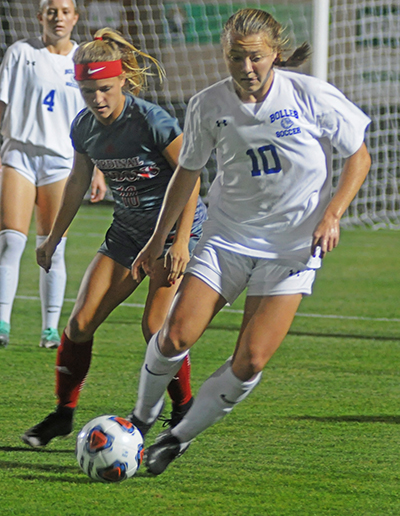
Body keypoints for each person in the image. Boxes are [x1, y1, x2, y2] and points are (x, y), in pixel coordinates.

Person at [126, 8, 372, 475]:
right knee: (176, 333)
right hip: (228, 237)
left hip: (293, 249)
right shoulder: (208, 105)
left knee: (250, 360)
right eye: (236, 58)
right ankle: (140, 417)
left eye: (255, 58)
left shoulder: (310, 95)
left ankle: (176, 439)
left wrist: (333, 214)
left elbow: (357, 156)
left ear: (275, 54)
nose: (246, 68)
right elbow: (188, 173)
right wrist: (159, 238)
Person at [21, 27, 206, 448]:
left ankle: (183, 411)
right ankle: (63, 415)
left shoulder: (153, 120)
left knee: (156, 329)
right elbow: (76, 181)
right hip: (126, 234)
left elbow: (191, 177)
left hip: (174, 230)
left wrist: (179, 244)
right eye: (88, 91)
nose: (98, 99)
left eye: (104, 88)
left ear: (123, 79)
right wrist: (52, 237)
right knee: (79, 324)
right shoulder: (84, 126)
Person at [0, 0, 107, 350]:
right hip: (19, 153)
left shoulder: (83, 62)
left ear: (75, 17)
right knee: (10, 242)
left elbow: (93, 118)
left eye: (64, 11)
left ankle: (49, 330)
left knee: (52, 246)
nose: (58, 17)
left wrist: (98, 169)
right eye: (51, 10)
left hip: (63, 161)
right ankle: (2, 322)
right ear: (40, 16)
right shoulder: (20, 53)